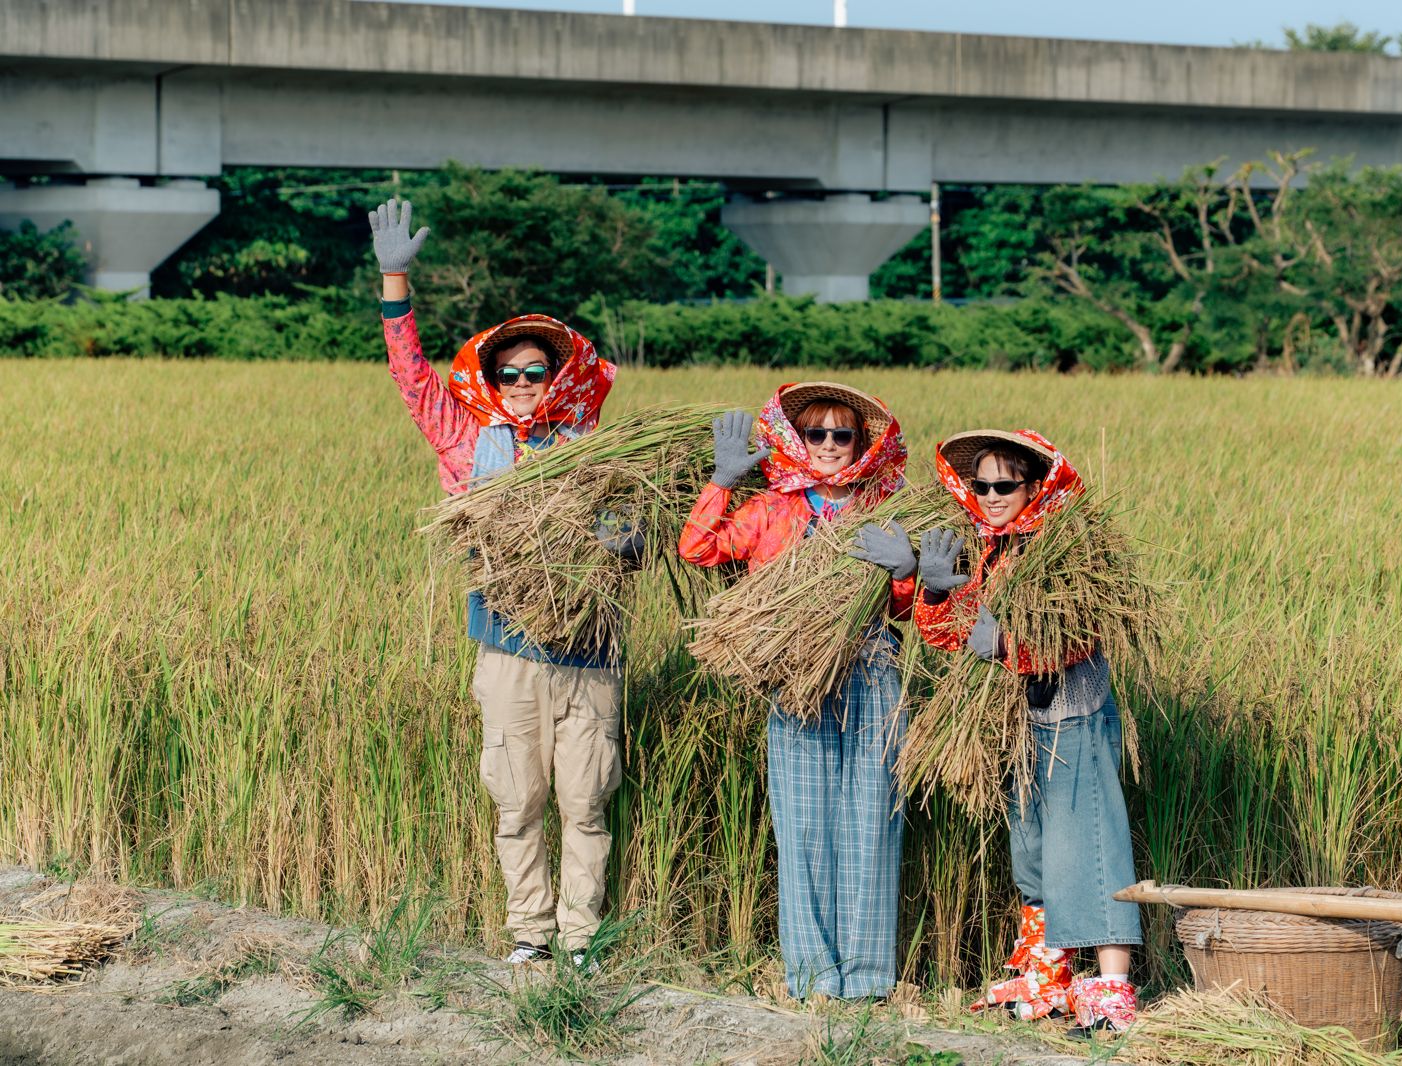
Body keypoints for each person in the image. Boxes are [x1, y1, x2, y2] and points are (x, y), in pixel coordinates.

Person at [369, 198, 636, 966]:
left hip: (588, 653)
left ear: (557, 376)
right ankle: (531, 933)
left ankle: (584, 939)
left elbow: (638, 538)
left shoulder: (594, 449)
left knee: (586, 804)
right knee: (517, 802)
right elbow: (412, 378)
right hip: (509, 651)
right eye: (509, 372)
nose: (522, 382)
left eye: (536, 371)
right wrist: (395, 279)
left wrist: (621, 539)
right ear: (492, 379)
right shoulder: (467, 443)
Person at [678, 382, 916, 1001]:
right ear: (797, 439)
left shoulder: (883, 512)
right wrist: (725, 482)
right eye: (818, 434)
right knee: (804, 828)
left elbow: (903, 609)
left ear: (862, 444)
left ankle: (866, 979)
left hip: (871, 672)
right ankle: (812, 976)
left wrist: (907, 572)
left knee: (872, 823)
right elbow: (698, 547)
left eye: (844, 435)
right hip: (794, 682)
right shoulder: (771, 510)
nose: (831, 446)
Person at [905, 429, 1141, 1029]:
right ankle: (1046, 971)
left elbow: (1080, 632)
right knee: (1031, 846)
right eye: (980, 485)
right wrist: (934, 590)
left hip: (1072, 714)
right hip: (1014, 722)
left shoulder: (1064, 550)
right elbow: (948, 634)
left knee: (1088, 840)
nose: (990, 495)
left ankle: (1113, 987)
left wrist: (1007, 643)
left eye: (1004, 484)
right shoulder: (986, 548)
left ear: (1035, 486)